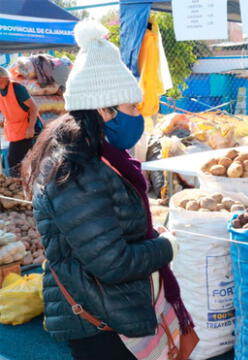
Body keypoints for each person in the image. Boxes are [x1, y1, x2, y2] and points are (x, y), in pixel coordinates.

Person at [21, 21, 192, 360]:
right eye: (132, 107)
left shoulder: (101, 156)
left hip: (111, 307)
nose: (138, 116)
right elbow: (113, 263)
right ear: (103, 110)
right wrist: (165, 246)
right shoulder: (76, 171)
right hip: (97, 319)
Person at [0, 66, 41, 177]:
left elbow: (34, 108)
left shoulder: (17, 88)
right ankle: (20, 184)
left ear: (2, 77)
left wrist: (31, 127)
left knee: (15, 159)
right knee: (17, 158)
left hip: (28, 127)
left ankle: (19, 185)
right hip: (15, 129)